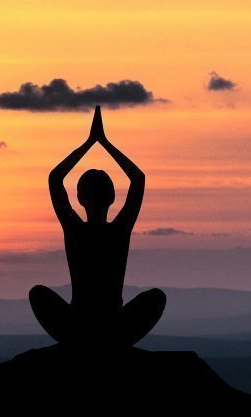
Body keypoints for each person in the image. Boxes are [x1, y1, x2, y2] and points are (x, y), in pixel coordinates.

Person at [30, 106, 166, 347]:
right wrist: (103, 143)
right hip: (114, 326)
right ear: (113, 198)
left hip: (77, 325)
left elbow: (55, 178)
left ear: (80, 199)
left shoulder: (74, 228)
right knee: (156, 297)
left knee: (38, 293)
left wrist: (90, 143)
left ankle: (81, 342)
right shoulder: (119, 229)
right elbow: (138, 178)